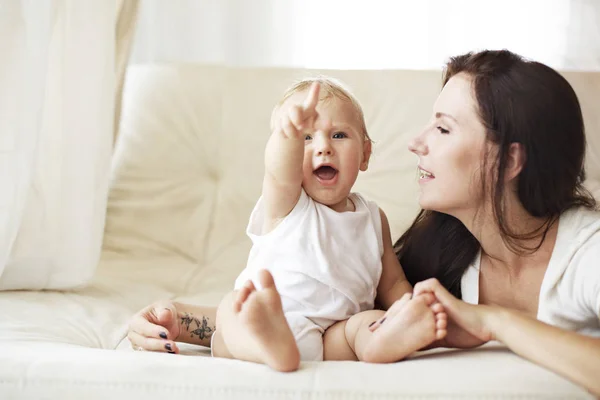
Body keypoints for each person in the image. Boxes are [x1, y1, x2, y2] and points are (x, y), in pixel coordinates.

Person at [127, 77, 447, 371]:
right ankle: (269, 341)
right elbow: (280, 170)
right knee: (230, 312)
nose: (323, 146)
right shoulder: (289, 203)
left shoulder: (373, 218)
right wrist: (286, 135)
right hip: (272, 315)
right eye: (306, 137)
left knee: (367, 324)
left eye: (339, 135)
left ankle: (385, 340)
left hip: (332, 337)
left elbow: (390, 283)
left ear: (365, 154)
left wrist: (409, 306)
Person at [363, 49, 600, 396]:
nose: (416, 143)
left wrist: (493, 321)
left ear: (509, 161)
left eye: (443, 129)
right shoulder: (446, 250)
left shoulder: (587, 253)